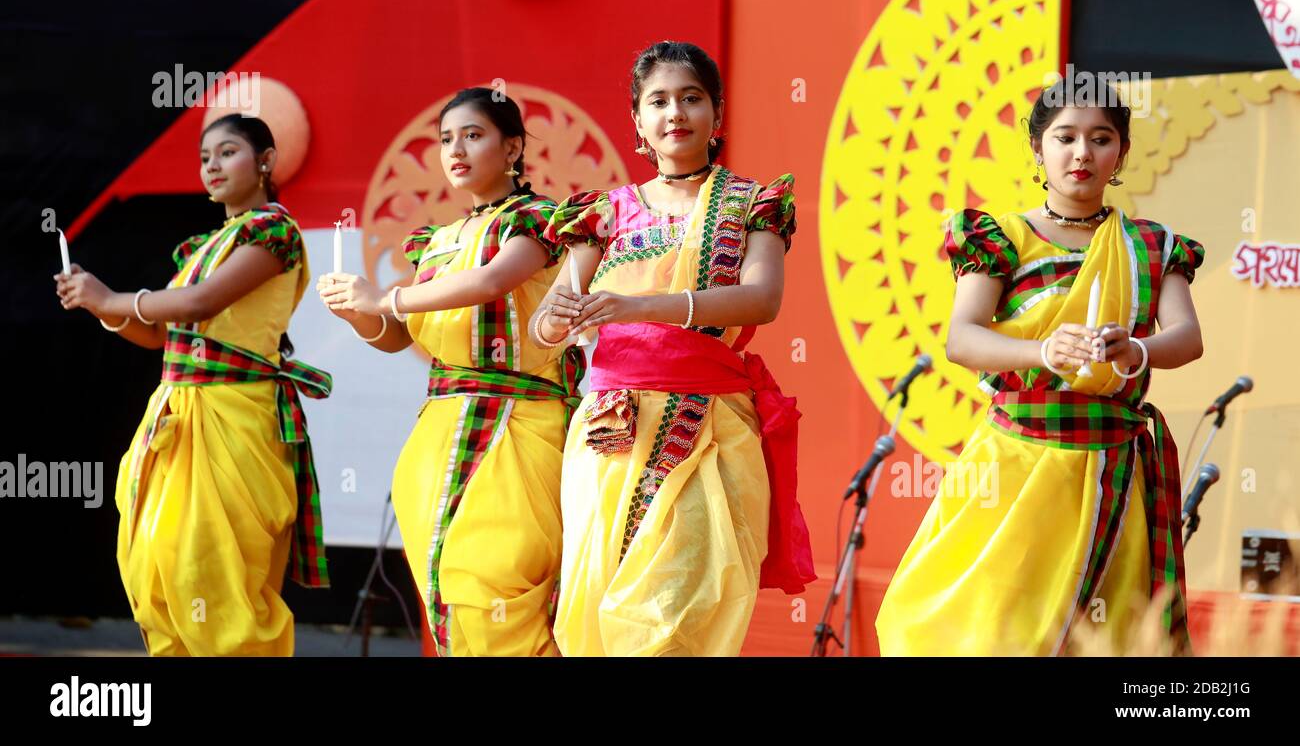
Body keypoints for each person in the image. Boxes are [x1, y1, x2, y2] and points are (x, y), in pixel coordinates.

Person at [876, 79, 1205, 656]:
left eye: (1101, 139)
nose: (1083, 153)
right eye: (1066, 137)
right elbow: (963, 340)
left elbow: (1188, 337)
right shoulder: (1001, 238)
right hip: (1016, 463)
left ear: (1121, 154)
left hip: (1113, 470)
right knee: (993, 630)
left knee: (1102, 638)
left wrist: (1139, 350)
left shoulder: (1152, 245)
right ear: (1038, 149)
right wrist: (1043, 352)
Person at [533, 41, 814, 657]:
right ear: (637, 122)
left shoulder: (751, 204)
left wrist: (642, 308)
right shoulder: (601, 215)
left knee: (672, 616)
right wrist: (554, 321)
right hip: (612, 435)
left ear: (718, 114)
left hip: (711, 427)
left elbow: (761, 299)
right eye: (657, 101)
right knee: (599, 601)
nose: (675, 113)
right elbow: (549, 323)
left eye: (691, 98)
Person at [55, 113, 332, 656]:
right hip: (176, 416)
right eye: (205, 157)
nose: (212, 166)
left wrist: (112, 298)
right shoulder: (201, 247)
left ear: (266, 162)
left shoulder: (272, 230)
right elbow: (160, 333)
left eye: (227, 152)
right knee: (157, 564)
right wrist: (97, 305)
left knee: (214, 573)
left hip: (235, 415)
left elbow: (203, 303)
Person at [318, 87, 582, 656]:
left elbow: (491, 283)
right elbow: (393, 339)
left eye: (473, 135)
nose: (455, 149)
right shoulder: (435, 242)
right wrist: (358, 312)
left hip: (520, 426)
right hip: (438, 433)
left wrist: (383, 297)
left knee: (497, 581)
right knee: (450, 593)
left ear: (513, 148)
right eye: (444, 139)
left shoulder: (540, 221)